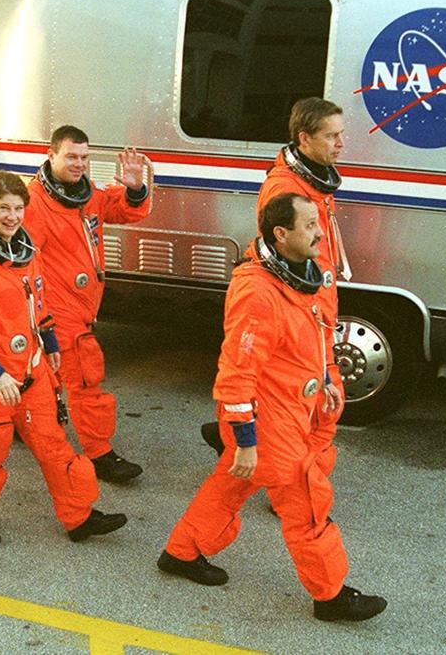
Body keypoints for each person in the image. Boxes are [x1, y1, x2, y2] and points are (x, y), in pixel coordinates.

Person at [158, 193, 386, 622]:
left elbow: (314, 337)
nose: (321, 233)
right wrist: (245, 438)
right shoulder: (257, 291)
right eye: (310, 226)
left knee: (232, 483)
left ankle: (181, 552)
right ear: (281, 235)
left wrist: (327, 379)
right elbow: (235, 373)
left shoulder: (302, 275)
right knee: (306, 500)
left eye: (318, 223)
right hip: (268, 420)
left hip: (292, 408)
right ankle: (330, 595)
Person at [0, 171, 126, 547]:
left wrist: (51, 343)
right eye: (3, 209)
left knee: (52, 443)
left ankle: (79, 517)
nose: (12, 216)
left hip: (29, 370)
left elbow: (36, 302)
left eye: (18, 208)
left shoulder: (24, 249)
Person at [201, 97, 350, 476]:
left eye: (341, 134)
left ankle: (291, 476)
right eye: (331, 135)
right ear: (304, 138)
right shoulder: (285, 189)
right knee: (316, 411)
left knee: (322, 409)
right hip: (303, 318)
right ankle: (295, 484)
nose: (340, 143)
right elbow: (285, 257)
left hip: (316, 318)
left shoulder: (311, 184)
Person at [23, 125, 151, 484]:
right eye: (71, 157)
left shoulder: (85, 194)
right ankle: (99, 452)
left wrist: (134, 187)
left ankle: (23, 421)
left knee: (43, 374)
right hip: (58, 309)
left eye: (84, 157)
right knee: (83, 378)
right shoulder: (34, 205)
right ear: (51, 155)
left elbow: (124, 211)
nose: (79, 164)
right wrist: (40, 315)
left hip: (83, 305)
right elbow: (24, 265)